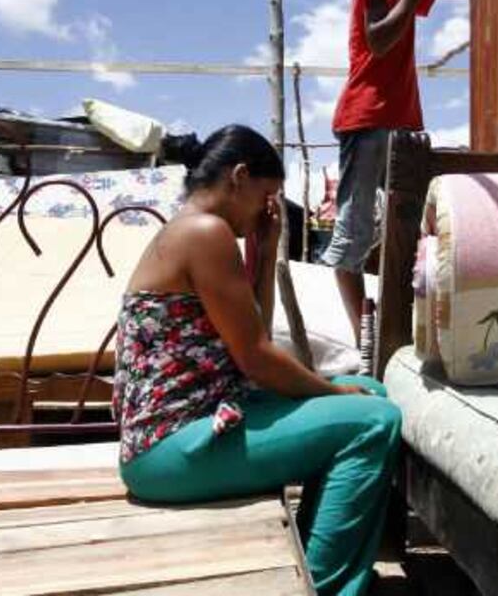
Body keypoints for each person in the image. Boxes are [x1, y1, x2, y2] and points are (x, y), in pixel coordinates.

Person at [116, 124, 403, 596]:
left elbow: (255, 338)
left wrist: (266, 253)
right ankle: (328, 587)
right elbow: (256, 358)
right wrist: (332, 390)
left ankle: (316, 558)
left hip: (194, 428)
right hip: (172, 448)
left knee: (370, 395)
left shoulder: (193, 229)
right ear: (240, 176)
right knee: (373, 420)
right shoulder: (204, 232)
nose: (267, 208)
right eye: (266, 194)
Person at [322, 0, 441, 344]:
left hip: (401, 120)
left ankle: (396, 330)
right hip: (369, 117)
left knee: (407, 227)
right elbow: (378, 40)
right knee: (353, 236)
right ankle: (365, 342)